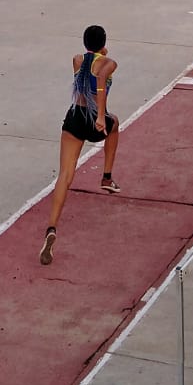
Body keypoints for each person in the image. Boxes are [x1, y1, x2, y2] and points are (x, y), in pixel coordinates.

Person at [40, 24, 121, 266]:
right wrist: (99, 117)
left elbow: (87, 69)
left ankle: (52, 228)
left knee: (65, 175)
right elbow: (99, 78)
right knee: (114, 123)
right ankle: (106, 176)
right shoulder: (109, 63)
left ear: (85, 43)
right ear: (104, 44)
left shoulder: (77, 59)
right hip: (93, 121)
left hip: (74, 119)